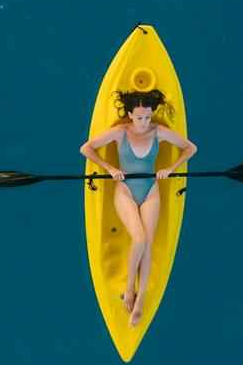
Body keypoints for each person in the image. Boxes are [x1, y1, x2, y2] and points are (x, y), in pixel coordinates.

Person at [79, 89, 197, 327]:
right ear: (130, 115)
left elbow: (191, 148)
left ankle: (140, 299)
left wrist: (172, 168)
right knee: (140, 238)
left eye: (148, 117)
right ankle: (129, 287)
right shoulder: (121, 132)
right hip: (125, 191)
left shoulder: (158, 132)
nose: (144, 122)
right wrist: (109, 168)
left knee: (148, 243)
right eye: (140, 117)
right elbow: (86, 149)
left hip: (151, 190)